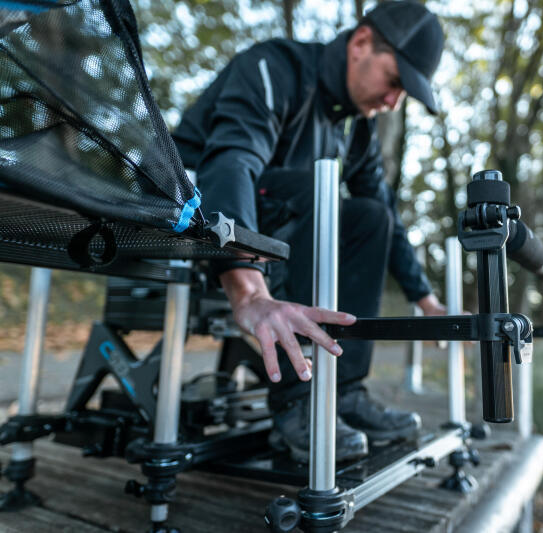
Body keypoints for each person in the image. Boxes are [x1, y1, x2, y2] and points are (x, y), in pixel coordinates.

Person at [173, 1, 446, 463]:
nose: (393, 101)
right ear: (361, 43)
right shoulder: (273, 67)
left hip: (280, 235)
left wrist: (427, 300)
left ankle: (345, 391)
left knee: (369, 216)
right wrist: (249, 293)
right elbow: (231, 162)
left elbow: (386, 217)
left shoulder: (357, 129)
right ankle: (299, 400)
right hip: (194, 219)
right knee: (316, 191)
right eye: (395, 81)